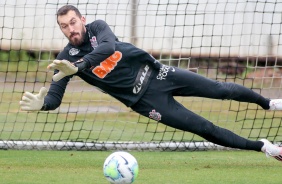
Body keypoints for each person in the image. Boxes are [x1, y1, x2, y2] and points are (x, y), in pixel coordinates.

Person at [20, 5, 282, 162]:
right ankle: (264, 147)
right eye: (64, 26)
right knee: (204, 128)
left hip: (159, 74)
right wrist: (43, 104)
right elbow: (54, 97)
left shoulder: (98, 29)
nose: (70, 29)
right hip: (146, 102)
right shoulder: (65, 59)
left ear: (83, 20)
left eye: (73, 22)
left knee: (220, 89)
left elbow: (109, 48)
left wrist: (79, 66)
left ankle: (268, 104)